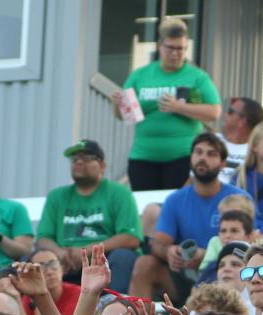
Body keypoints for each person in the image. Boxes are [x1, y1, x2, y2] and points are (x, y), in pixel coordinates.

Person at [114, 16, 221, 190]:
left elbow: (214, 112)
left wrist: (179, 107)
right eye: (170, 48)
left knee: (176, 209)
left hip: (182, 157)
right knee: (146, 210)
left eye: (181, 49)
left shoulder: (197, 77)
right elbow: (125, 115)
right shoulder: (141, 75)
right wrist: (117, 104)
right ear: (159, 46)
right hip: (143, 157)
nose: (175, 53)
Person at [136, 133, 247, 300]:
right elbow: (158, 243)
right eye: (198, 152)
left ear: (223, 163)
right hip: (184, 276)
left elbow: (249, 244)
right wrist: (169, 252)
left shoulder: (238, 199)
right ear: (191, 158)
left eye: (211, 154)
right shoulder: (175, 199)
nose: (203, 158)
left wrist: (210, 255)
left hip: (223, 273)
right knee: (144, 264)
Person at [37, 141, 142, 293]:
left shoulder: (119, 193)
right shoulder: (56, 196)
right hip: (65, 263)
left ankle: (116, 310)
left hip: (104, 261)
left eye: (86, 158)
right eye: (74, 159)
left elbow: (130, 237)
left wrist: (85, 252)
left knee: (123, 257)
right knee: (32, 260)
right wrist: (58, 254)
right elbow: (43, 238)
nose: (78, 161)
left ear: (102, 166)